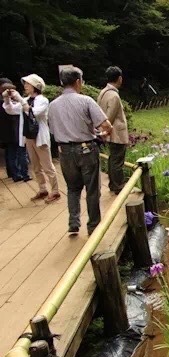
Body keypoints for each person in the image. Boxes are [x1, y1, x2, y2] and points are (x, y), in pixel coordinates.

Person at [48, 66, 113, 236]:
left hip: (64, 151)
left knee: (72, 188)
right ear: (78, 82)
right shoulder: (86, 101)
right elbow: (106, 126)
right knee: (92, 189)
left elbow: (53, 131)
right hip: (86, 149)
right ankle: (93, 226)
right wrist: (102, 134)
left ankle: (73, 223)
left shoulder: (53, 105)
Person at [14, 74, 59, 202]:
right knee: (35, 166)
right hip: (28, 136)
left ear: (35, 86)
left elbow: (34, 112)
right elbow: (11, 110)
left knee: (47, 166)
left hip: (40, 136)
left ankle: (55, 191)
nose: (25, 86)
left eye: (28, 84)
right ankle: (42, 189)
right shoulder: (26, 99)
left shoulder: (43, 100)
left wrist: (19, 99)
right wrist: (7, 98)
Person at [98, 66, 129, 195]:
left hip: (110, 133)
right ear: (119, 78)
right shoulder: (114, 95)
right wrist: (106, 130)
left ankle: (113, 183)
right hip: (116, 133)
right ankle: (118, 186)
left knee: (113, 159)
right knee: (117, 160)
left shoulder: (103, 92)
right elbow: (108, 117)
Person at [0, 78, 29, 182]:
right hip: (15, 130)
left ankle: (13, 173)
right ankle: (20, 173)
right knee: (18, 153)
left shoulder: (6, 101)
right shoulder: (13, 101)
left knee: (11, 153)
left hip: (6, 132)